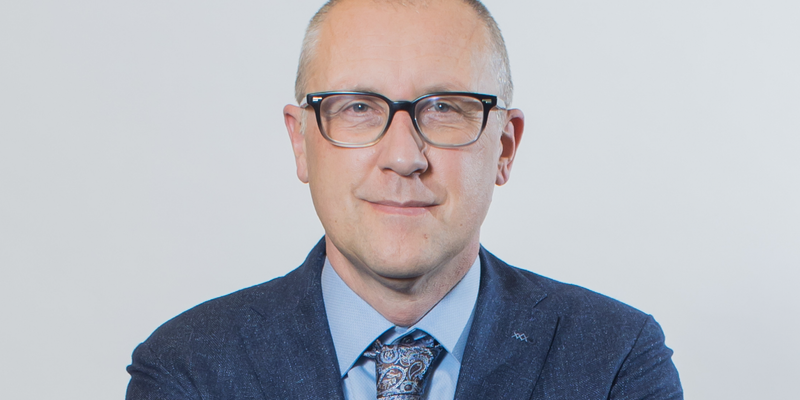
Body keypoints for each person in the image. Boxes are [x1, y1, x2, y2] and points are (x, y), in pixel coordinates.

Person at [126, 0, 682, 399]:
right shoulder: (187, 371)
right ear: (301, 143)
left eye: (444, 108)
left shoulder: (615, 360)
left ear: (505, 147)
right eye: (357, 107)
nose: (403, 156)